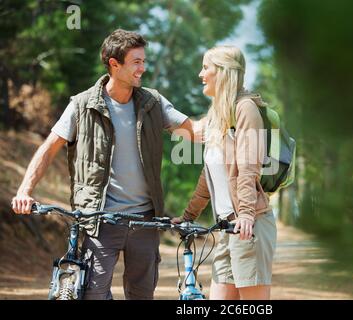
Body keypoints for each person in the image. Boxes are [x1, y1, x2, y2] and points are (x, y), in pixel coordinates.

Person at [11, 29, 200, 300]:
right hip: (100, 220)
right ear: (114, 63)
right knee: (92, 294)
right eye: (136, 62)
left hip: (145, 222)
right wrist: (24, 191)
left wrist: (234, 120)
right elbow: (49, 148)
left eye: (144, 61)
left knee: (142, 294)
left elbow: (194, 132)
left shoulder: (153, 103)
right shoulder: (82, 105)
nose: (143, 68)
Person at [172, 46, 277, 300]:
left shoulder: (246, 109)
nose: (201, 74)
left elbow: (248, 167)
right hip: (226, 229)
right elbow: (208, 178)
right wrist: (188, 216)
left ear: (223, 72)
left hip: (248, 226)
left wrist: (247, 215)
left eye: (206, 67)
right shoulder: (217, 115)